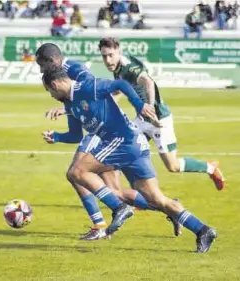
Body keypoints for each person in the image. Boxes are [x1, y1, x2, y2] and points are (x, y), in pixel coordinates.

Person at [42, 63, 217, 253]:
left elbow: (121, 85)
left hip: (123, 141)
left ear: (56, 84)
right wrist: (57, 137)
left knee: (77, 171)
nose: (50, 95)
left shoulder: (87, 86)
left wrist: (140, 105)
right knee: (157, 199)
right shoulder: (70, 104)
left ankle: (119, 208)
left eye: (49, 90)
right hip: (130, 146)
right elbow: (75, 135)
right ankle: (203, 230)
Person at [36, 43, 181, 240]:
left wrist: (70, 109)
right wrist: (68, 110)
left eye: (41, 65)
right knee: (115, 191)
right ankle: (170, 207)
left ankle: (100, 225)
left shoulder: (73, 68)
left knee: (76, 173)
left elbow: (86, 93)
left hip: (99, 127)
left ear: (51, 61)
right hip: (97, 126)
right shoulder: (63, 72)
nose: (41, 71)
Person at [98, 37, 225, 191]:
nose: (108, 60)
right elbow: (119, 90)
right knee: (124, 153)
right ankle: (141, 197)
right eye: (104, 56)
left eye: (111, 55)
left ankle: (210, 168)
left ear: (118, 51)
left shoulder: (128, 67)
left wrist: (151, 108)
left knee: (173, 166)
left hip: (158, 119)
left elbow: (148, 82)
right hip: (142, 120)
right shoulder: (118, 68)